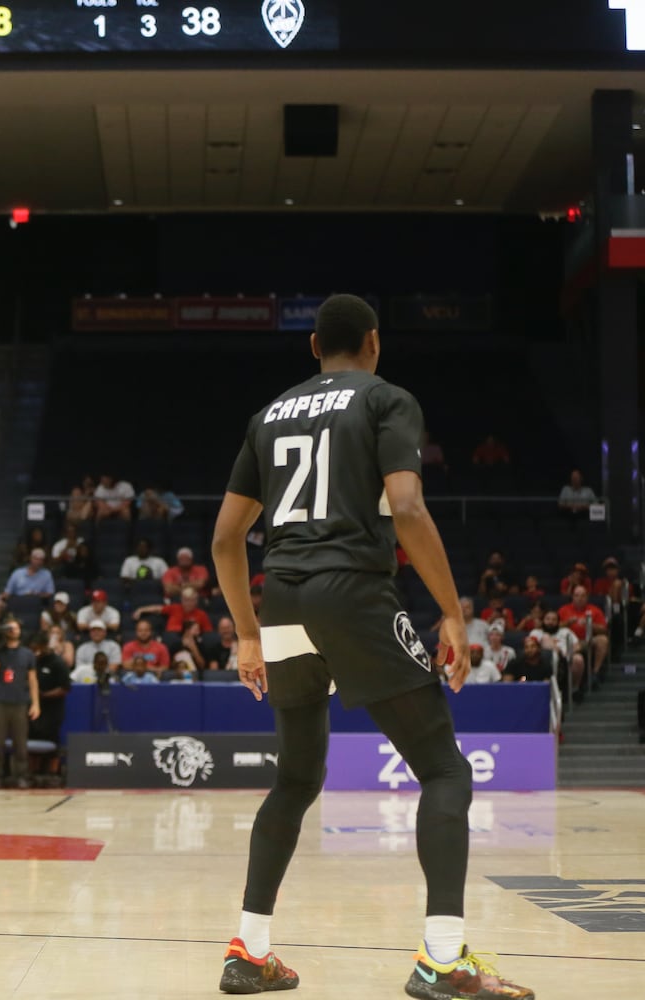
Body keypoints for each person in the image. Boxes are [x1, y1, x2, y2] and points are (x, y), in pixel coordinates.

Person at [208, 294, 531, 998]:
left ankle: (249, 950)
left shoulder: (268, 416)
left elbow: (227, 537)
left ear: (313, 347)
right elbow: (407, 507)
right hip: (351, 591)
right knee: (445, 771)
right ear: (374, 344)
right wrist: (452, 612)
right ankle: (443, 959)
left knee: (294, 781)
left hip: (284, 600)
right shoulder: (387, 399)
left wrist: (247, 634)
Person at [0, 621, 40, 788]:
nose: (13, 630)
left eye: (16, 627)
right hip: (0, 701)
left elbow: (33, 680)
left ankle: (21, 776)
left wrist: (35, 703)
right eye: (10, 627)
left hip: (20, 702)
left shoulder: (27, 654)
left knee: (20, 743)